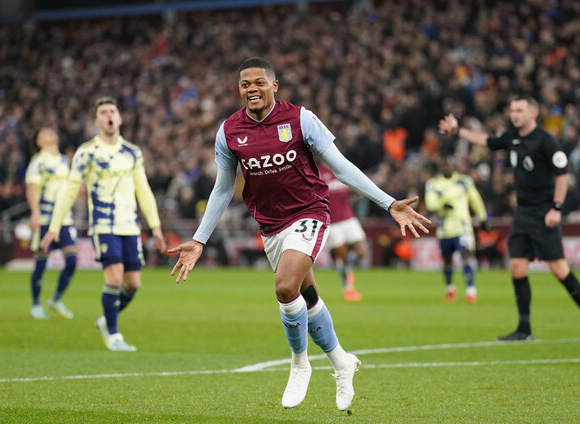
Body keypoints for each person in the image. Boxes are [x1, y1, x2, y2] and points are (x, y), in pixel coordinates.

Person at [168, 57, 430, 411]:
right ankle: (342, 362)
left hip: (309, 213)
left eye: (259, 82)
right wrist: (199, 239)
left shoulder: (300, 119)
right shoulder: (228, 131)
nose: (252, 89)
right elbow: (223, 189)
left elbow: (342, 168)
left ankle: (299, 364)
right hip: (270, 226)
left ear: (274, 86)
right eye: (245, 84)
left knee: (284, 287)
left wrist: (389, 203)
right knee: (307, 297)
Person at [439, 95, 580, 341]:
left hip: (544, 212)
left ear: (533, 113)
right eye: (512, 110)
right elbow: (486, 140)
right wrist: (457, 132)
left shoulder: (545, 140)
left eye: (519, 110)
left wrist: (556, 208)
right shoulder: (512, 137)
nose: (514, 115)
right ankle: (524, 329)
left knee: (559, 270)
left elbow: (562, 174)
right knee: (517, 267)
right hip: (522, 213)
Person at [42, 96, 166, 351]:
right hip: (103, 224)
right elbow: (70, 190)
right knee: (114, 276)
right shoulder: (87, 153)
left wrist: (155, 226)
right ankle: (114, 335)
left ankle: (105, 321)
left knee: (133, 284)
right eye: (103, 112)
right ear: (97, 120)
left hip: (130, 225)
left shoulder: (132, 152)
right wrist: (54, 227)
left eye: (112, 111)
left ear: (119, 118)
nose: (109, 115)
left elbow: (143, 190)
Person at [25, 127, 77, 320]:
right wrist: (35, 214)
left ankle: (56, 299)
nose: (51, 133)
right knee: (41, 262)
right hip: (45, 218)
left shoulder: (64, 161)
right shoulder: (38, 162)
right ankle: (36, 304)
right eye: (45, 133)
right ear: (39, 142)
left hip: (64, 219)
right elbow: (31, 189)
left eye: (51, 131)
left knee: (72, 260)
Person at [425, 154, 488, 304]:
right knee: (447, 260)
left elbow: (475, 199)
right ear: (440, 167)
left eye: (448, 165)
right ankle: (450, 288)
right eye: (444, 165)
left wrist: (483, 217)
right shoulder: (433, 184)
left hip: (462, 226)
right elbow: (430, 203)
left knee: (465, 255)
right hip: (445, 228)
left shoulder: (464, 181)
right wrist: (442, 205)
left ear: (454, 166)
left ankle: (471, 291)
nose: (446, 168)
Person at [317, 162, 366, 302]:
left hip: (348, 218)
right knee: (342, 255)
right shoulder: (317, 172)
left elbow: (351, 189)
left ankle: (347, 268)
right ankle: (348, 287)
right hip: (332, 222)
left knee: (361, 252)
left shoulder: (340, 168)